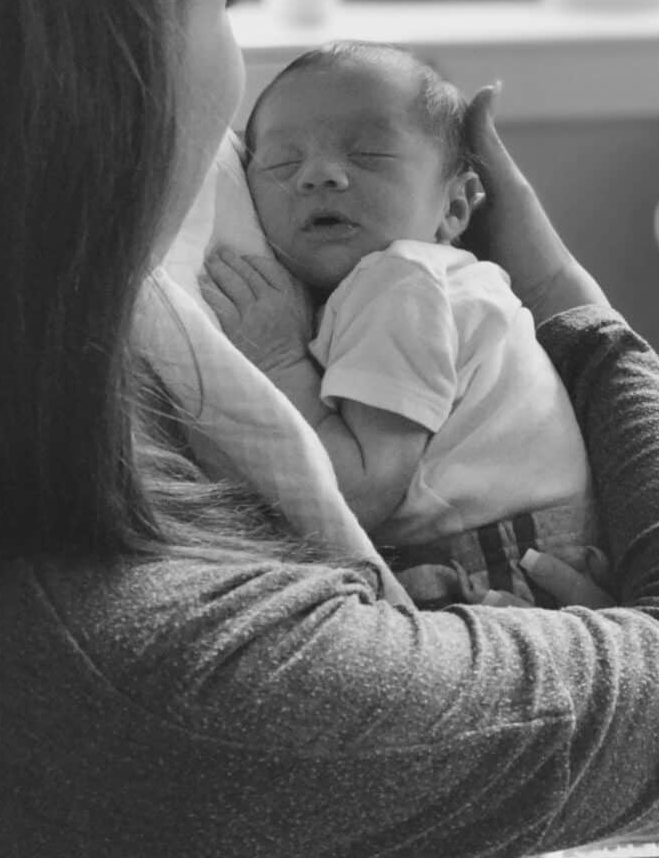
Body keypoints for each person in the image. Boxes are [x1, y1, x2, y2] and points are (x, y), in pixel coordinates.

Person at [0, 0, 659, 857]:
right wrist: (570, 301)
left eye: (362, 153)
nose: (308, 178)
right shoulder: (174, 678)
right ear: (86, 76)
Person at [202, 41, 601, 608]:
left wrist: (279, 360)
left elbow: (360, 493)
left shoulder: (400, 283)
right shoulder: (426, 282)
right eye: (284, 163)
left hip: (490, 569)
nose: (319, 175)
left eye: (369, 155)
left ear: (456, 207)